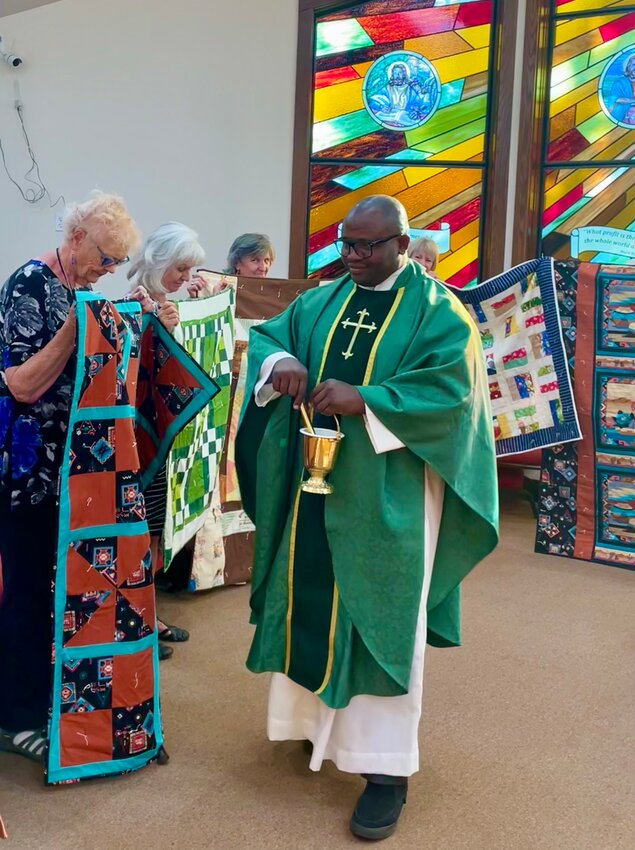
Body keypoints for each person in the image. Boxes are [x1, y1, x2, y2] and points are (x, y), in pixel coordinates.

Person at [235, 195, 499, 840]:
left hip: (390, 493)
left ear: (401, 245)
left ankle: (386, 772)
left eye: (368, 247)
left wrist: (369, 400)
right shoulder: (324, 300)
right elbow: (270, 334)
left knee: (381, 615)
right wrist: (282, 364)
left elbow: (453, 394)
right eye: (346, 245)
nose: (353, 257)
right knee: (311, 602)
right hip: (315, 484)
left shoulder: (440, 313)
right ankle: (311, 728)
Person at [0, 192, 145, 762]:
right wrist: (77, 326)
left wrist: (130, 320)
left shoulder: (79, 289)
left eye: (115, 265)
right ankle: (14, 717)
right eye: (105, 258)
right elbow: (20, 384)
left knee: (55, 589)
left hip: (67, 468)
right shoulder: (30, 285)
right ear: (78, 237)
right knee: (28, 592)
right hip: (25, 469)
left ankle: (40, 698)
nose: (106, 271)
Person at [126, 222, 206, 659]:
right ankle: (134, 624)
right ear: (159, 263)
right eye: (180, 267)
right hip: (135, 439)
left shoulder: (165, 304)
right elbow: (127, 369)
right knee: (136, 533)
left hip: (157, 437)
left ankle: (148, 615)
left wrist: (175, 325)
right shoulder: (131, 303)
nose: (183, 276)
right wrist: (155, 325)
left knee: (154, 530)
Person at [607, 54, 635, 125]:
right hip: (624, 120)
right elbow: (614, 99)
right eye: (633, 65)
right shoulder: (619, 83)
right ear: (627, 67)